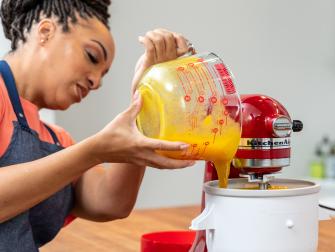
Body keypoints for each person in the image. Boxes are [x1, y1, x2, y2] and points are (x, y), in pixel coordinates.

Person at [0, 0, 195, 251]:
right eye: (92, 57)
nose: (95, 82)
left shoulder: (56, 141)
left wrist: (146, 97)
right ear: (46, 32)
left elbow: (111, 202)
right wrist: (93, 151)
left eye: (103, 75)